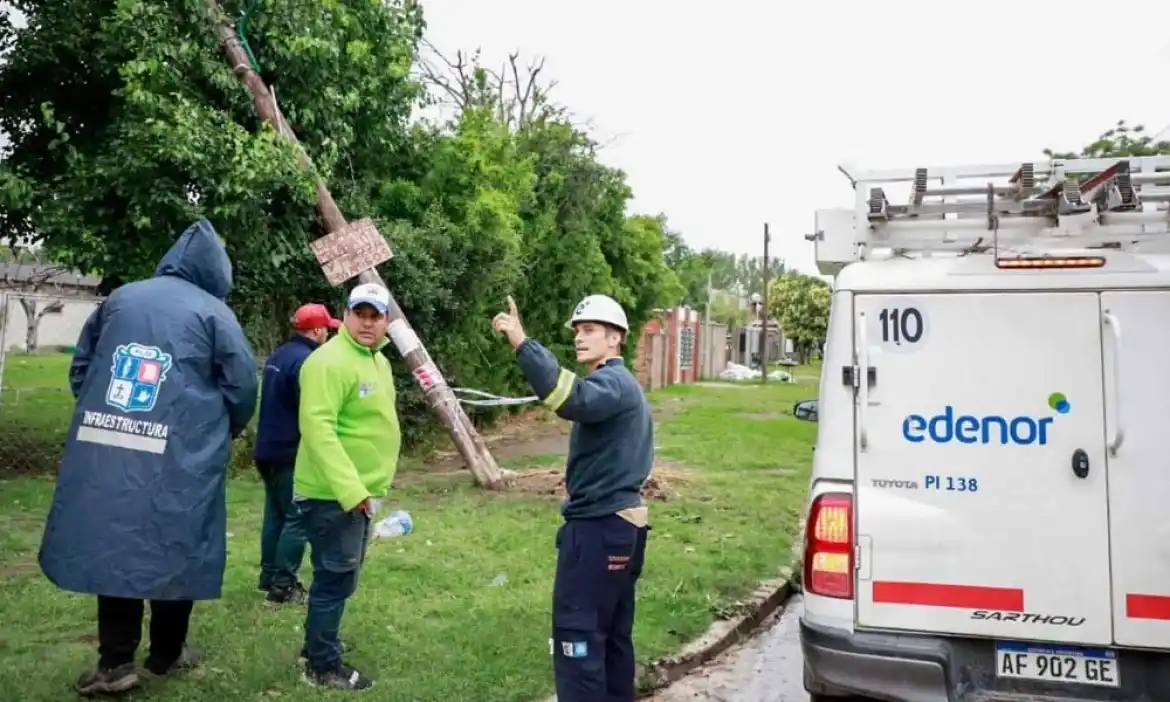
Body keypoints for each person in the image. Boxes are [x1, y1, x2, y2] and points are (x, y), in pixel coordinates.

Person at [38, 219, 258, 696]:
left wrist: (103, 415)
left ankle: (115, 664)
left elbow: (83, 368)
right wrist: (222, 429)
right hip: (183, 453)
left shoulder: (120, 299)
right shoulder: (216, 314)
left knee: (116, 543)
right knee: (178, 544)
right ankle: (166, 654)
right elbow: (242, 387)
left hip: (112, 445)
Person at [492, 294, 653, 702]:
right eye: (578, 331)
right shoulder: (620, 384)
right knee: (613, 639)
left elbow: (570, 398)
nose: (580, 338)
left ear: (615, 338)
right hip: (622, 528)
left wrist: (522, 343)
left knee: (577, 639)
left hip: (599, 529)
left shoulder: (613, 383)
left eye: (590, 330)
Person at [294, 281, 401, 690]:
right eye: (361, 314)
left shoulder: (378, 361)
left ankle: (318, 643)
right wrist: (352, 491)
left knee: (342, 579)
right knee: (335, 579)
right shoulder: (328, 361)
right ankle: (321, 665)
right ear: (348, 315)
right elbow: (318, 428)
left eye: (377, 316)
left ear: (388, 321)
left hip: (360, 497)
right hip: (332, 496)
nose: (368, 323)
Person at [254, 303, 340, 605]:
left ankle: (268, 578)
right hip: (291, 452)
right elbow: (312, 411)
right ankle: (282, 587)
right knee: (297, 519)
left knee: (275, 515)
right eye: (327, 329)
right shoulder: (308, 362)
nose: (328, 334)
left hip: (266, 449)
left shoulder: (279, 355)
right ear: (316, 331)